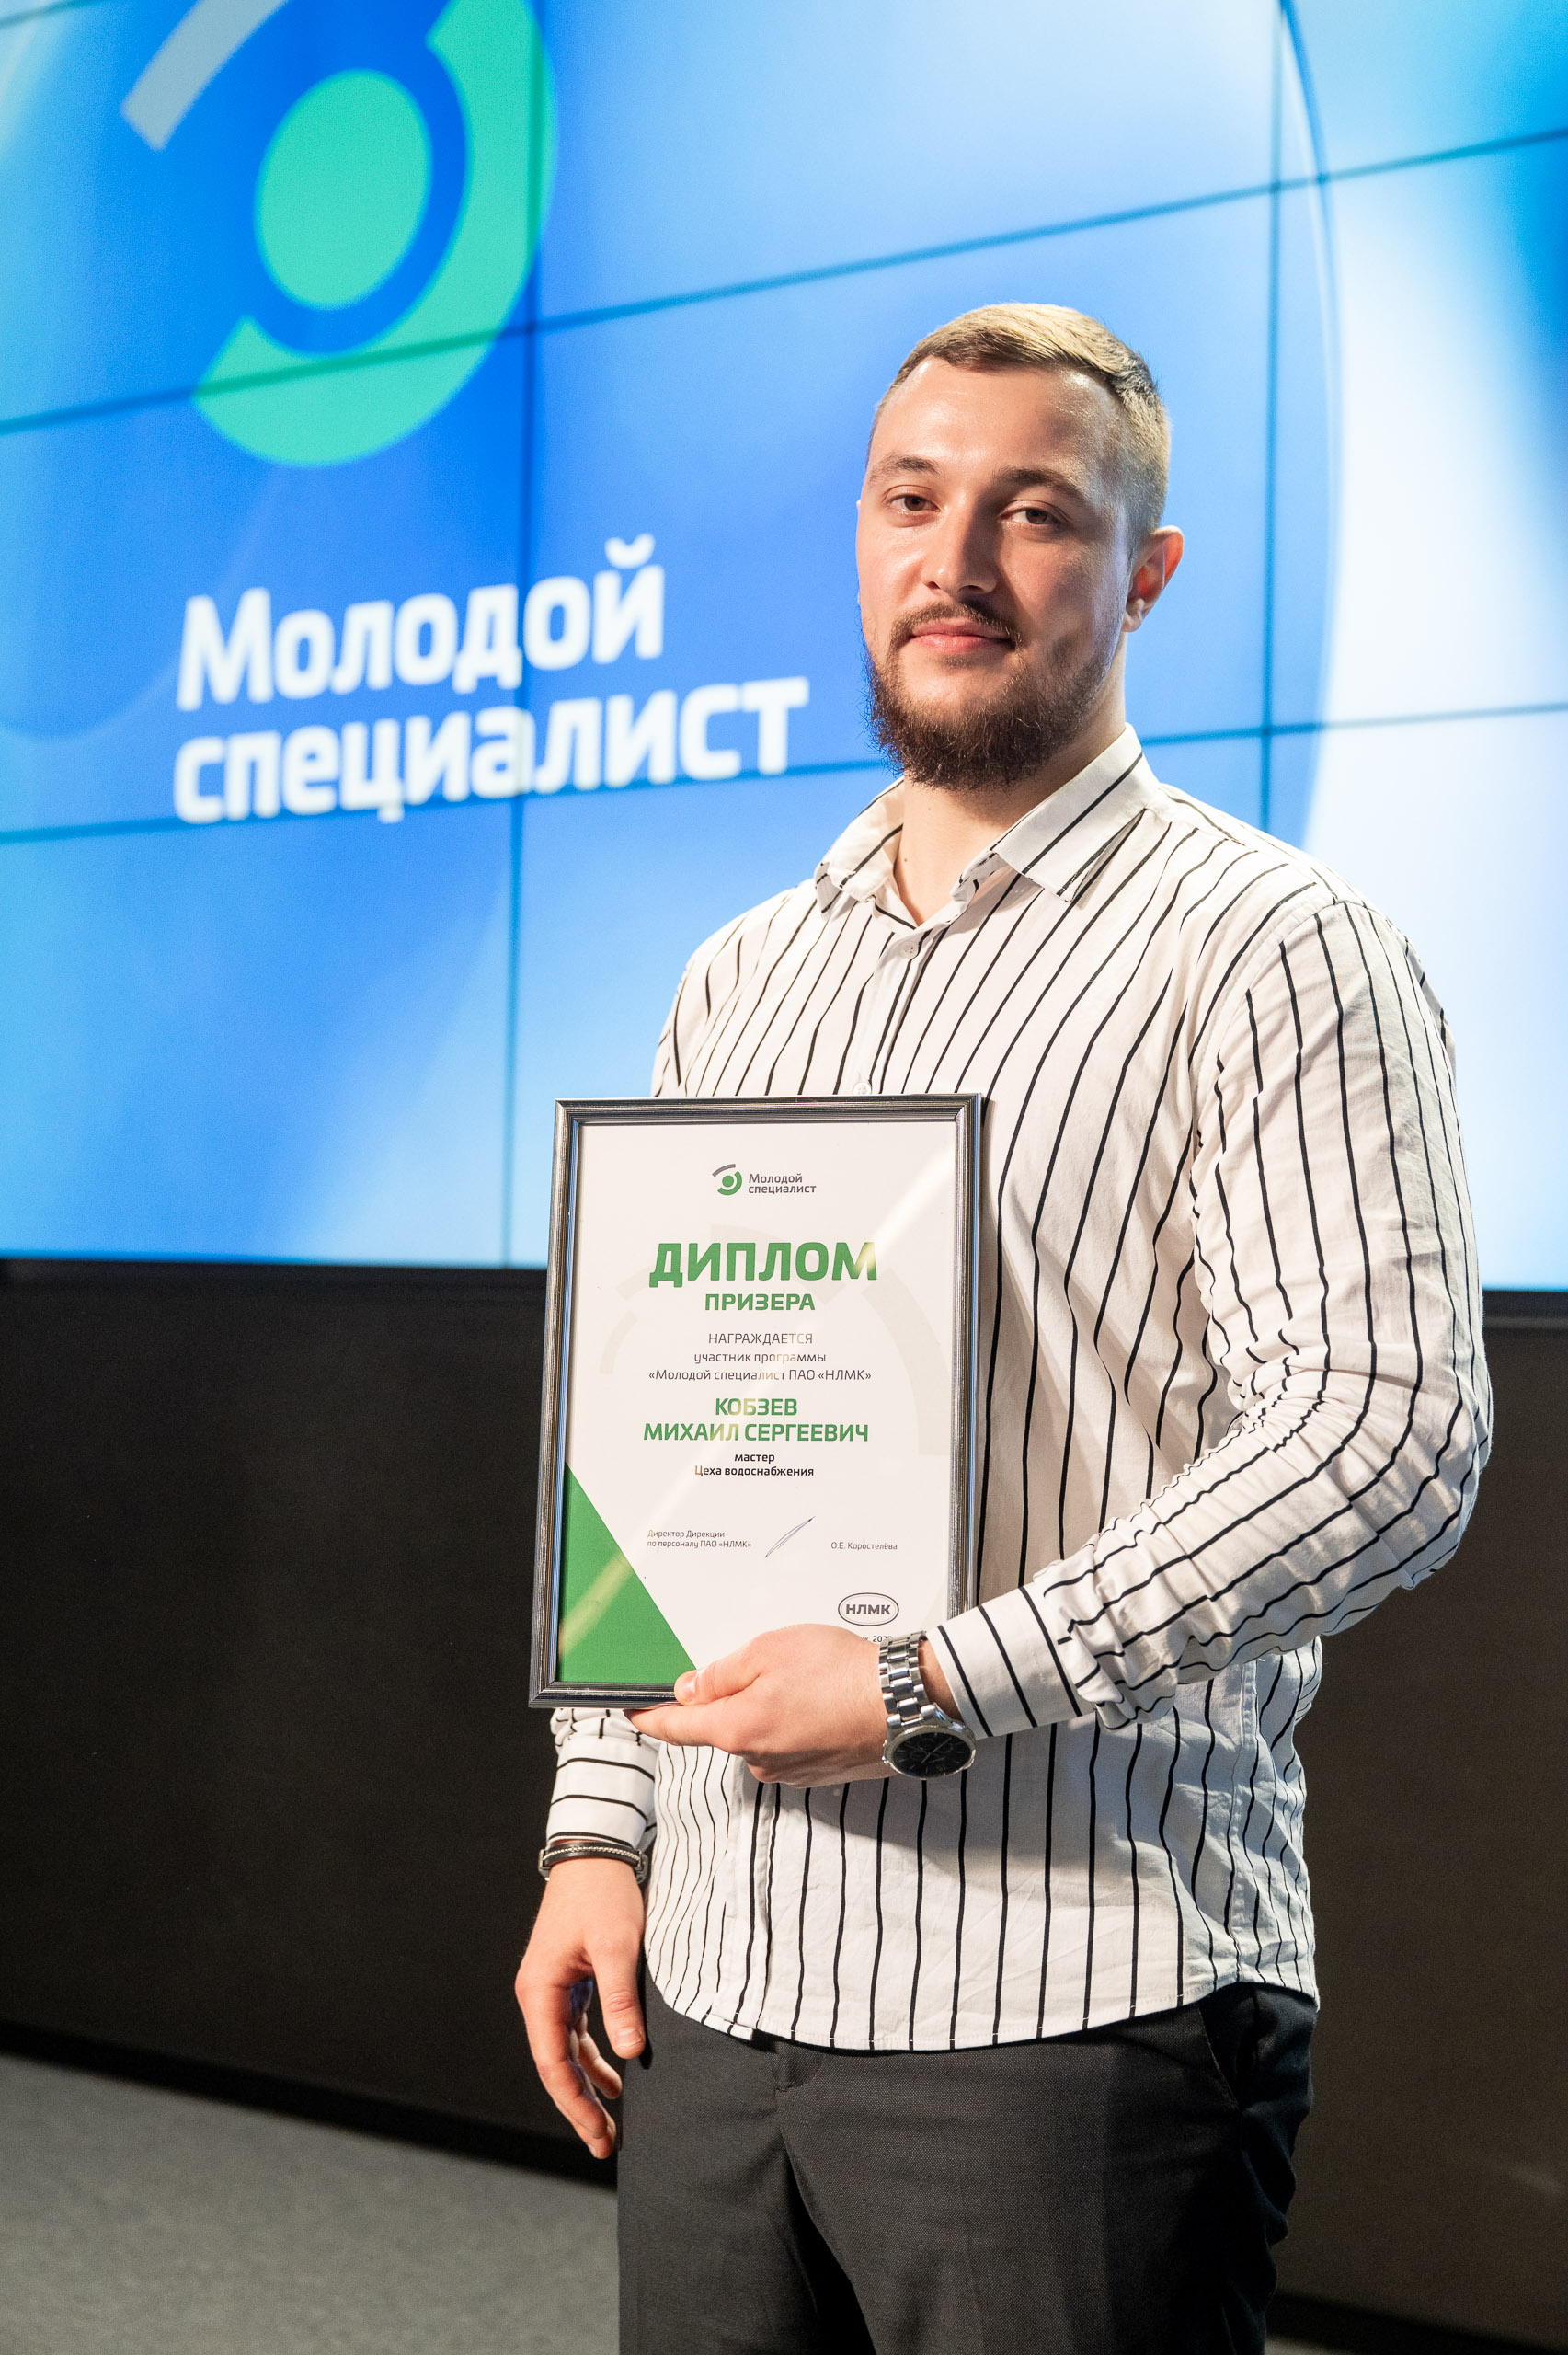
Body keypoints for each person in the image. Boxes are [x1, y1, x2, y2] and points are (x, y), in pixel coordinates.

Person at [515, 304, 1491, 2354]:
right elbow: (656, 1448)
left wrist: (930, 1680)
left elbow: (1385, 1430)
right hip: (715, 1983)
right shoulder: (742, 971)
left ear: (1144, 574)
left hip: (1063, 2005)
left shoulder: (1271, 947)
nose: (954, 559)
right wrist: (600, 1829)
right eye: (911, 499)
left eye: (1033, 512)